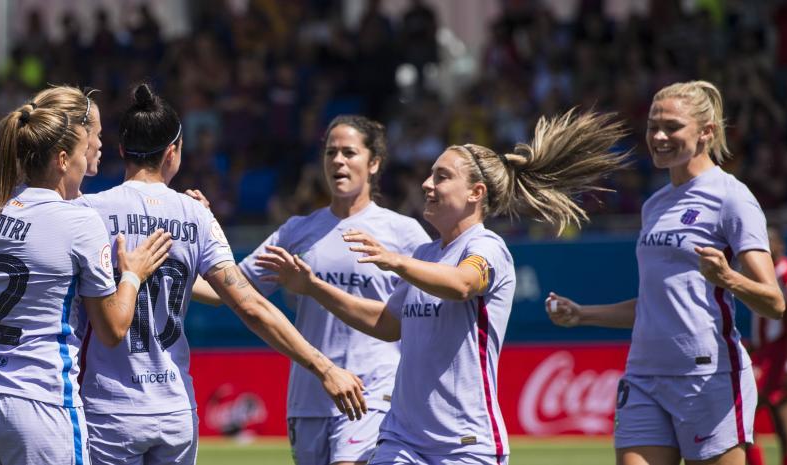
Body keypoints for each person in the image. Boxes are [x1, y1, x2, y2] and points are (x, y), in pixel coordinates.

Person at [256, 108, 629, 465]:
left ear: (475, 193)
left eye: (441, 176)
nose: (427, 184)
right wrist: (312, 286)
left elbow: (463, 284)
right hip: (402, 438)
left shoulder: (487, 248)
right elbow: (386, 323)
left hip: (464, 443)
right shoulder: (426, 252)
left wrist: (395, 260)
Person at [72, 84, 369, 465]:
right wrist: (324, 367)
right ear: (173, 152)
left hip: (108, 410)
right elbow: (250, 306)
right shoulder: (196, 215)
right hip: (174, 411)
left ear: (120, 151)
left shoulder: (88, 211)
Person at [0, 86, 173, 464]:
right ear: (63, 155)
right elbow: (111, 329)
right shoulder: (79, 221)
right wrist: (133, 275)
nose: (98, 145)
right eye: (93, 136)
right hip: (39, 401)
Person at [546, 81, 786, 465]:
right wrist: (582, 314)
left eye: (672, 127)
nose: (658, 136)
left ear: (706, 132)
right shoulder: (654, 204)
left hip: (708, 377)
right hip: (643, 374)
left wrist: (728, 278)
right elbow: (655, 304)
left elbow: (773, 302)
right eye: (652, 126)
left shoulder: (732, 197)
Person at [194, 114, 430, 465]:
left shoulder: (404, 233)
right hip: (309, 395)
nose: (338, 160)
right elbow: (225, 292)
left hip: (374, 388)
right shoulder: (298, 231)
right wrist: (191, 239)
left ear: (374, 162)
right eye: (331, 152)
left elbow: (432, 307)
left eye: (349, 152)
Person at [746, 225, 787, 465]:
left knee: (771, 416)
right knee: (764, 417)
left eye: (769, 242)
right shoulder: (763, 272)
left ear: (780, 245)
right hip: (764, 352)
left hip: (779, 354)